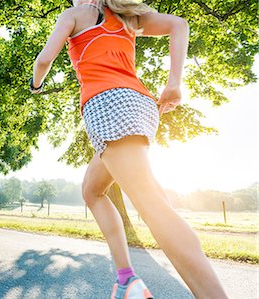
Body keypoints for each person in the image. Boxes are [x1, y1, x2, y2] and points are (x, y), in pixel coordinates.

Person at [29, 0, 228, 298]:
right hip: (140, 106)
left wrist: (35, 85)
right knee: (92, 191)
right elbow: (179, 25)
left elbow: (44, 60)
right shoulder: (126, 16)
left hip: (108, 106)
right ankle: (126, 280)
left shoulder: (74, 15)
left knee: (152, 205)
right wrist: (174, 83)